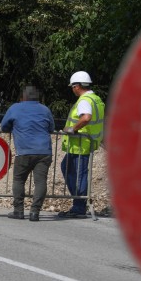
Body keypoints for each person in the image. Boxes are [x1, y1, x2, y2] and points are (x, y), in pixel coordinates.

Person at [1, 85, 55, 222]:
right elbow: (51, 128)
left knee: (19, 180)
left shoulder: (15, 108)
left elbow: (4, 126)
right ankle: (35, 212)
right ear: (37, 97)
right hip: (44, 151)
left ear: (23, 97)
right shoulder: (45, 109)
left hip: (24, 151)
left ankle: (18, 211)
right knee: (40, 181)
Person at [59, 71, 105, 218]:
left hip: (81, 143)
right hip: (84, 143)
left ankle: (79, 206)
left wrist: (73, 129)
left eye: (73, 87)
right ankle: (80, 200)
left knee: (79, 175)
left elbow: (86, 118)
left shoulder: (85, 100)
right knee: (68, 168)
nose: (72, 90)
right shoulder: (96, 99)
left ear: (77, 86)